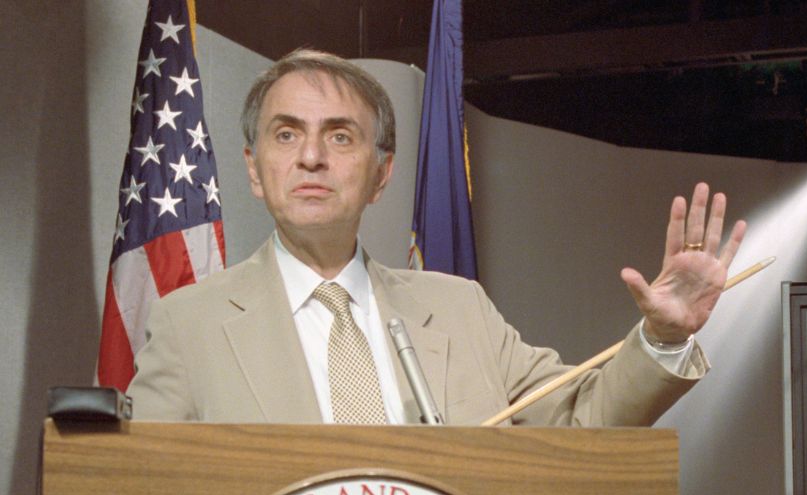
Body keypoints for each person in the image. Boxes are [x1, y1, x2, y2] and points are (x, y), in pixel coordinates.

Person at [128, 50, 747, 425]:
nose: (311, 156)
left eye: (341, 136)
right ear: (254, 170)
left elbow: (582, 420)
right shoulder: (189, 325)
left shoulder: (460, 310)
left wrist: (663, 337)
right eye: (286, 134)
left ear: (382, 173)